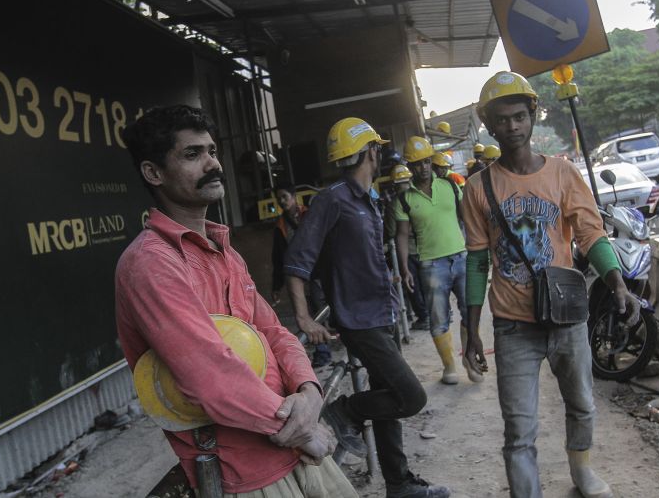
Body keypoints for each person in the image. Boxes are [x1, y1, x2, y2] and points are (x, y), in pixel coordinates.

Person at [115, 105, 356, 497]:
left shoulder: (224, 252)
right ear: (153, 173)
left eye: (212, 151)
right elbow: (210, 377)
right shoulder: (150, 263)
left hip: (295, 443)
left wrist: (310, 390)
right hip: (244, 472)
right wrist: (301, 428)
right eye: (192, 154)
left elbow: (275, 332)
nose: (212, 163)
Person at [461, 72, 639, 498]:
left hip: (565, 317)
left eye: (520, 116)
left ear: (533, 116)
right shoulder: (477, 187)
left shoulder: (562, 173)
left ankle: (582, 471)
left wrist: (617, 282)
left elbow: (591, 235)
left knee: (581, 404)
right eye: (502, 120)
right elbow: (477, 261)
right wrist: (470, 330)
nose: (512, 127)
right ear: (490, 124)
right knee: (519, 429)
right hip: (511, 325)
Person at [284, 117, 450, 498]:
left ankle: (399, 483)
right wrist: (305, 318)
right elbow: (297, 262)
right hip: (359, 321)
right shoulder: (332, 200)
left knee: (389, 400)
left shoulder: (368, 200)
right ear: (371, 152)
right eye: (378, 150)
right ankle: (344, 412)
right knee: (410, 396)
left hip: (383, 314)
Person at [395, 136, 482, 385]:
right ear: (410, 167)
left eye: (425, 162)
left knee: (470, 312)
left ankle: (469, 358)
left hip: (461, 258)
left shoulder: (450, 186)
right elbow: (401, 235)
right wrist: (404, 268)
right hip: (431, 265)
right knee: (439, 318)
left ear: (430, 162)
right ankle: (449, 366)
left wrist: (476, 249)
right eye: (417, 164)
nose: (423, 168)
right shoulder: (404, 199)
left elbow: (466, 218)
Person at [271, 183, 333, 367]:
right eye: (279, 198)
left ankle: (339, 341)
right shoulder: (280, 226)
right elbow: (278, 257)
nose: (282, 201)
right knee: (311, 312)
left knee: (326, 306)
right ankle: (322, 352)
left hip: (322, 270)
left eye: (285, 197)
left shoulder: (310, 213)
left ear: (294, 195)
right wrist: (277, 285)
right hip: (301, 276)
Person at [383, 164, 430, 331]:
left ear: (395, 184)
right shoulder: (421, 196)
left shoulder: (395, 203)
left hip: (406, 250)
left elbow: (391, 231)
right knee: (429, 282)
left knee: (412, 284)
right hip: (426, 246)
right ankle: (437, 312)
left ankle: (424, 317)